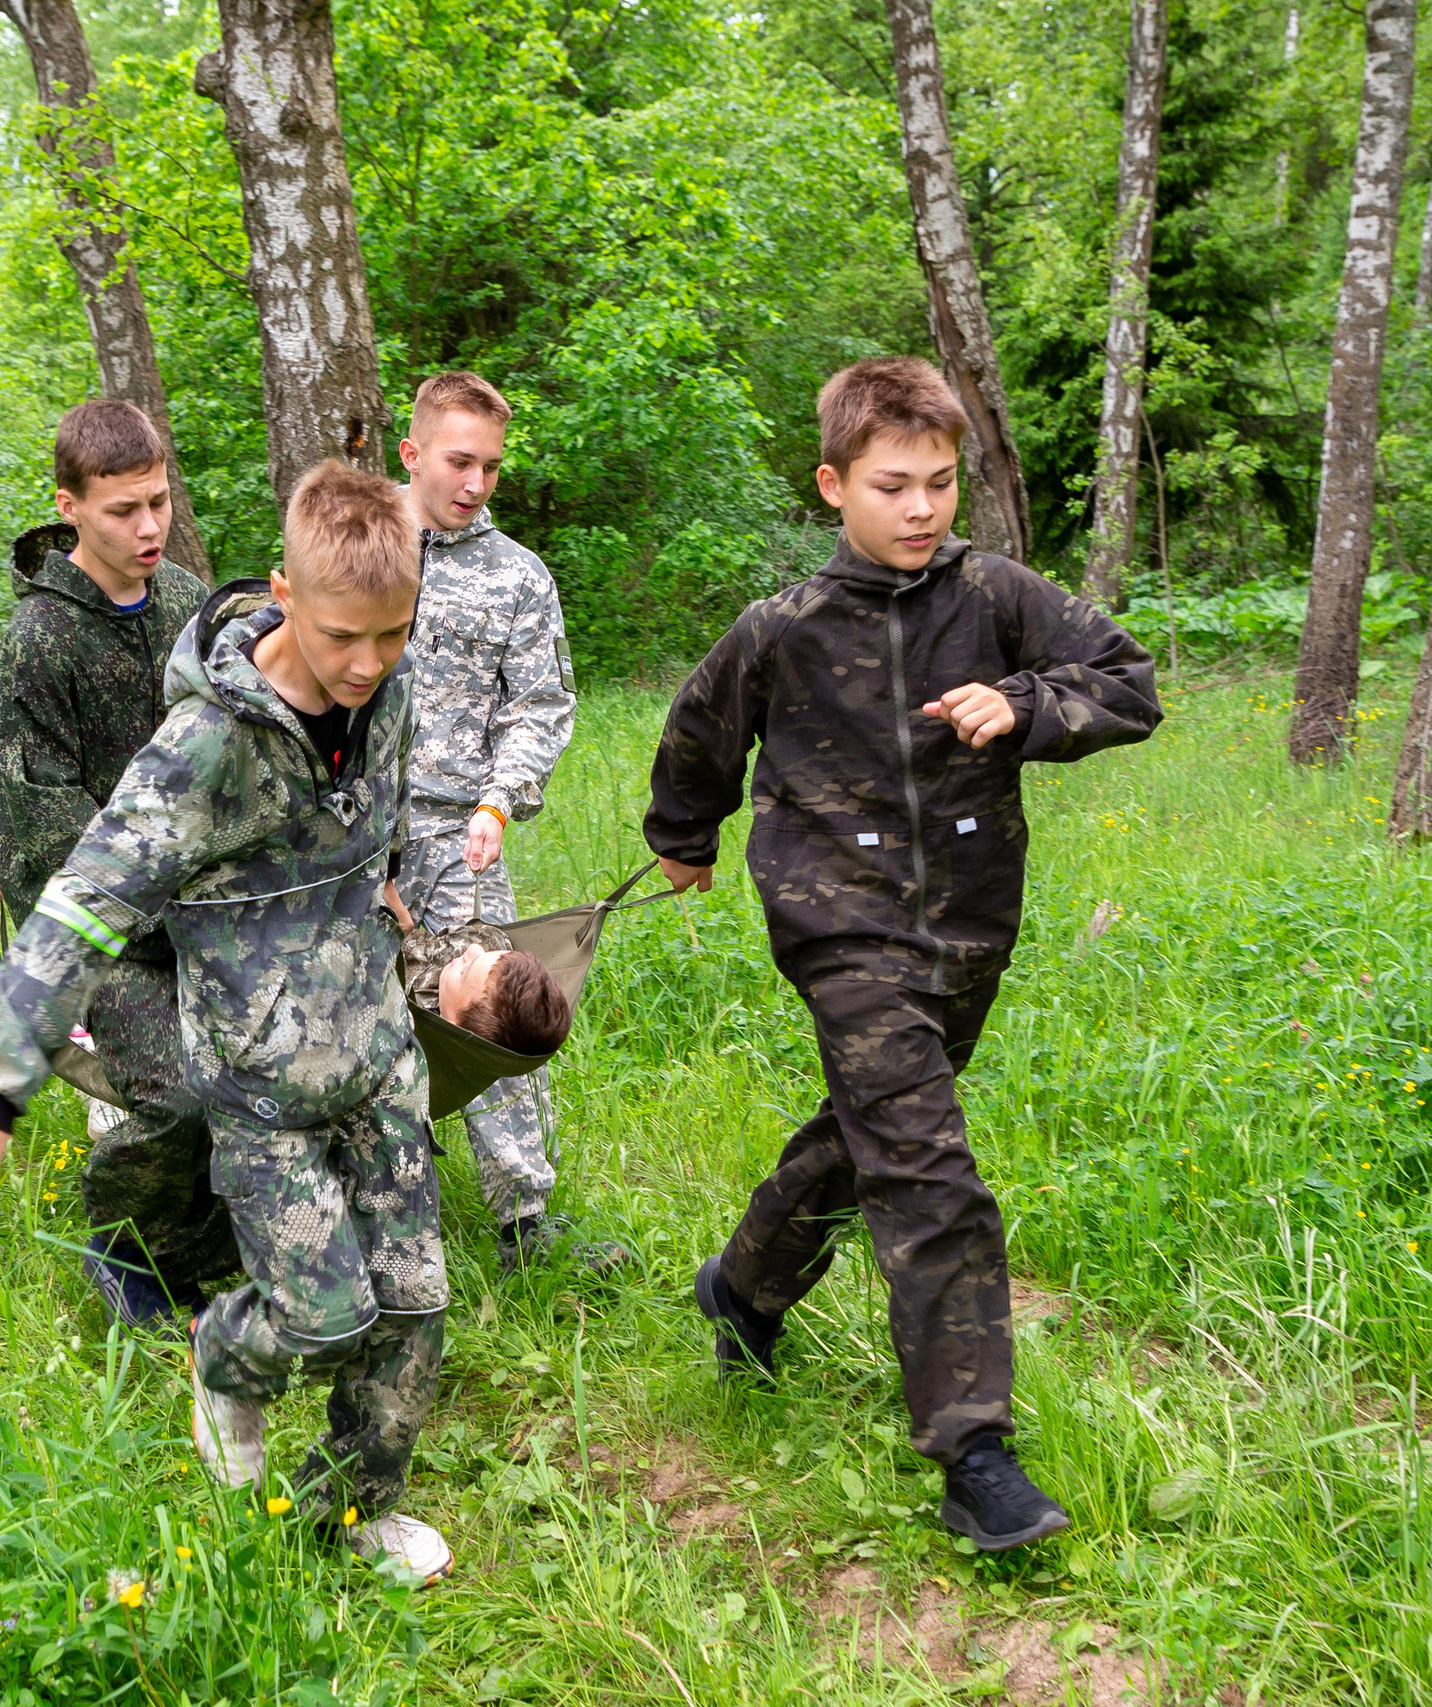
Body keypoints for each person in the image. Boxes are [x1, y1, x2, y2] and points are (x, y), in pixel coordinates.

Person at [0, 461, 455, 1586]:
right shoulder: (203, 752)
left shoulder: (386, 689)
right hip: (257, 1087)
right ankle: (218, 1354)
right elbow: (80, 907)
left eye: (392, 634)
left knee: (414, 1314)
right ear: (284, 595)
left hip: (379, 1059)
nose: (367, 664)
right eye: (345, 635)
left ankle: (343, 1517)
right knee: (319, 1318)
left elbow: (369, 840)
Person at [643, 357, 1162, 1551]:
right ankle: (973, 1453)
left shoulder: (995, 598)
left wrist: (1027, 708)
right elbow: (698, 732)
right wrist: (684, 838)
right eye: (892, 486)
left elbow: (1129, 683)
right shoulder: (782, 627)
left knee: (873, 1133)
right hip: (839, 928)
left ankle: (745, 1285)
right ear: (833, 485)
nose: (921, 509)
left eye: (939, 483)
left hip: (969, 927)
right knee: (931, 1178)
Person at [0, 399, 232, 1327]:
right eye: (124, 510)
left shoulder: (182, 602)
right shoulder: (40, 639)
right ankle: (123, 1246)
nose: (148, 527)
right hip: (104, 931)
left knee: (254, 1077)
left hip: (209, 910)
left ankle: (202, 1252)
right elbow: (40, 824)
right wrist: (149, 911)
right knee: (177, 1095)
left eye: (159, 503)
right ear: (70, 506)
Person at [395, 369, 618, 1273]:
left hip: (460, 835)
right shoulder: (362, 548)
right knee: (349, 1011)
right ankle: (379, 1198)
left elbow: (541, 704)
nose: (475, 483)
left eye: (490, 466)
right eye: (458, 461)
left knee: (490, 1011)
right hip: (345, 833)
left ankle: (526, 1216)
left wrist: (499, 798)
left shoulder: (517, 577)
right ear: (412, 453)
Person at [398, 921, 572, 1054]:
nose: (473, 948)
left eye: (464, 972)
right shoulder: (492, 946)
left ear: (452, 1027)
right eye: (485, 953)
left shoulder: (399, 1023)